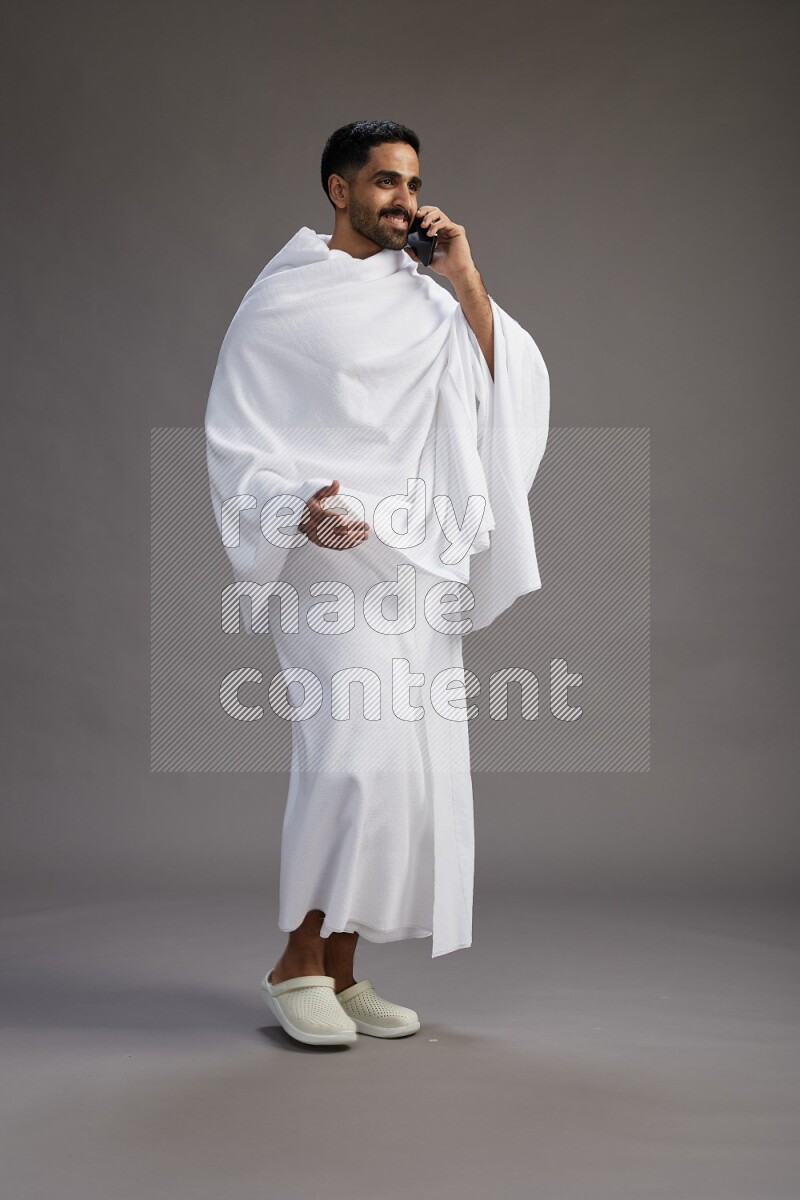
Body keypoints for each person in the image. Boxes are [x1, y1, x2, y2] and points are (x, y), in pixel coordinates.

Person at [204, 119, 550, 1046]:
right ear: (337, 188)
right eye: (386, 182)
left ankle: (345, 973)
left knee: (404, 769)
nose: (405, 198)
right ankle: (295, 964)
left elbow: (499, 388)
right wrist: (294, 510)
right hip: (326, 556)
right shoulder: (281, 303)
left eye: (414, 182)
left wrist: (464, 276)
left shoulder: (430, 297)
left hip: (414, 558)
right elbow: (237, 440)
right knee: (348, 754)